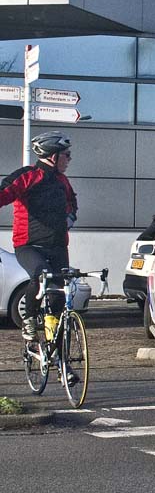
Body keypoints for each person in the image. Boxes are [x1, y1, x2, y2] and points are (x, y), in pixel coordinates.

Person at [0, 131, 77, 346]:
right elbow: (4, 193)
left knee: (58, 296)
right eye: (67, 155)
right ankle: (30, 320)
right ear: (53, 156)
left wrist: (69, 218)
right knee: (41, 274)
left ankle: (56, 350)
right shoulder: (27, 176)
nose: (69, 159)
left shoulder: (63, 181)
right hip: (29, 245)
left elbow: (72, 202)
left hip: (58, 246)